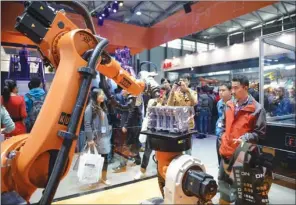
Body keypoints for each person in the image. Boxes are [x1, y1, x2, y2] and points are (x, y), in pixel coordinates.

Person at [218, 75, 266, 204]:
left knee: (240, 188)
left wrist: (246, 138)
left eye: (236, 88)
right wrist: (223, 137)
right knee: (223, 181)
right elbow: (223, 125)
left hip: (242, 155)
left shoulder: (257, 109)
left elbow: (259, 134)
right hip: (225, 152)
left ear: (245, 87)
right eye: (232, 88)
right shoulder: (229, 105)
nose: (232, 91)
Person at [84, 88, 112, 185]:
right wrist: (90, 139)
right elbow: (87, 124)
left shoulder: (101, 107)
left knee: (104, 158)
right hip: (95, 139)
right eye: (101, 94)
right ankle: (91, 178)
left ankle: (103, 178)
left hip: (103, 138)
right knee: (93, 159)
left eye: (103, 94)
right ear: (95, 96)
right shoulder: (90, 108)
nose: (103, 96)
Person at [215, 82, 232, 166]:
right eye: (219, 90)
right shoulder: (219, 103)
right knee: (219, 157)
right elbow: (220, 118)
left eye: (223, 90)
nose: (220, 92)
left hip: (229, 136)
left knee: (228, 160)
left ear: (230, 91)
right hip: (219, 134)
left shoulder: (234, 103)